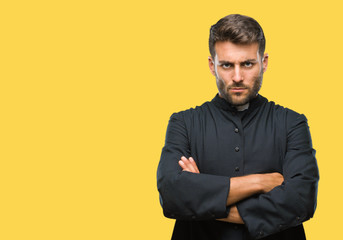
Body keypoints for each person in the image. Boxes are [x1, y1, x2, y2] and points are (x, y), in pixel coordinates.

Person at [157, 14, 319, 240]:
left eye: (247, 64)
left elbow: (300, 200)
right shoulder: (183, 123)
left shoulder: (292, 123)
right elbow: (172, 194)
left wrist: (202, 196)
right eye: (226, 65)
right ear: (212, 66)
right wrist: (260, 182)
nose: (237, 76)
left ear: (264, 63)